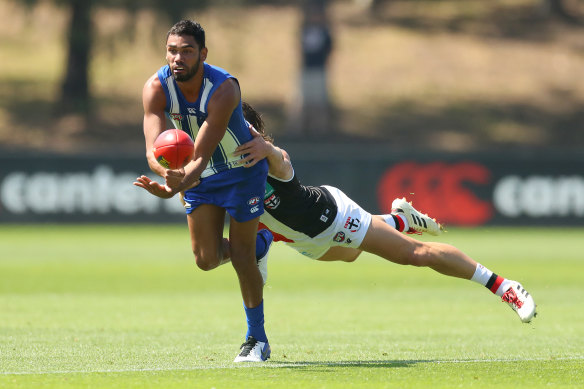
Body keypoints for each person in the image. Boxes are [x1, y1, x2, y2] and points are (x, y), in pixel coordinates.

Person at [232, 103, 537, 324]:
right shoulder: (225, 175)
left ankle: (503, 286)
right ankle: (400, 220)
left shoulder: (271, 160)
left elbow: (280, 157)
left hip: (334, 217)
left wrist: (265, 146)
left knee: (417, 253)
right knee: (352, 254)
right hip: (303, 242)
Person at [133, 20, 272, 363]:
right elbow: (153, 150)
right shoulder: (155, 87)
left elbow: (201, 154)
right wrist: (167, 175)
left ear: (203, 54)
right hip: (200, 175)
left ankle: (257, 340)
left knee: (240, 258)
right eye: (172, 50)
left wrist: (176, 185)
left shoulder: (224, 88)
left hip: (241, 170)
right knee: (205, 260)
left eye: (186, 51)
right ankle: (261, 244)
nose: (177, 58)